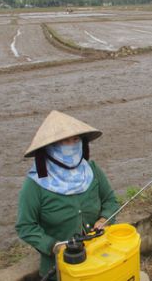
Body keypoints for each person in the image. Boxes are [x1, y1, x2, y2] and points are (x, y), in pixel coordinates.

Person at [15, 110, 120, 280]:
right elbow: (25, 226)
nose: (71, 145)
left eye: (75, 139)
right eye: (64, 141)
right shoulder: (35, 184)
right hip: (59, 268)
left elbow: (110, 200)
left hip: (97, 257)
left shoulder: (92, 170)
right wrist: (53, 246)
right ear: (49, 146)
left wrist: (104, 219)